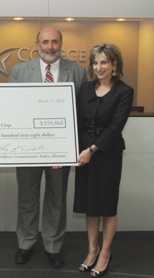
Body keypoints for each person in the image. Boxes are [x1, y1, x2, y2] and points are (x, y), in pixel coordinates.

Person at [9, 27, 87, 267]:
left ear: (61, 43)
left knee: (56, 199)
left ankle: (53, 245)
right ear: (36, 44)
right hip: (27, 148)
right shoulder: (20, 71)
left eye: (54, 42)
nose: (50, 46)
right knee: (27, 198)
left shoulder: (77, 71)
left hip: (60, 151)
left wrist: (70, 148)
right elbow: (10, 108)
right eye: (45, 42)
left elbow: (80, 114)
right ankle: (26, 243)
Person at [74, 43, 133, 277]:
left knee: (107, 206)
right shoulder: (85, 89)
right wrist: (68, 151)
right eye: (95, 63)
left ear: (114, 65)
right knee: (91, 205)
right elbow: (76, 122)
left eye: (104, 62)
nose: (99, 67)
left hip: (107, 154)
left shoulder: (124, 91)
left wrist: (92, 149)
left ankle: (105, 253)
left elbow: (115, 127)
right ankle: (92, 250)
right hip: (84, 155)